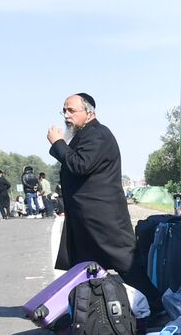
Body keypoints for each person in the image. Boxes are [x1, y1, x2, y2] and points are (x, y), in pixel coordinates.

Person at [47, 93, 136, 273]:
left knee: (127, 266)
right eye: (64, 111)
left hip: (103, 218)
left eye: (71, 110)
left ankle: (155, 301)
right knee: (86, 269)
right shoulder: (84, 135)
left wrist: (58, 143)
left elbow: (80, 165)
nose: (66, 115)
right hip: (86, 216)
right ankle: (90, 301)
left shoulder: (98, 134)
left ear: (89, 112)